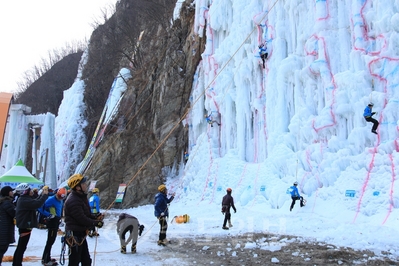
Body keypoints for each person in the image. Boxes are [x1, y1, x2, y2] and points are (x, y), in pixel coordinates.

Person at [64, 174, 104, 266]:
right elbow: (82, 219)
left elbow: (86, 214)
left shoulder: (80, 197)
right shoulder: (73, 200)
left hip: (79, 234)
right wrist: (95, 223)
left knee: (86, 260)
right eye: (83, 183)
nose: (86, 185)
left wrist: (96, 217)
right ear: (78, 187)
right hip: (74, 235)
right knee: (74, 261)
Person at [13, 183, 49, 266]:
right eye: (30, 190)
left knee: (22, 247)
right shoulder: (24, 200)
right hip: (25, 225)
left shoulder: (24, 199)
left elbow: (36, 201)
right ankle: (17, 263)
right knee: (21, 247)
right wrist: (44, 195)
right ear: (25, 192)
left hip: (25, 225)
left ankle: (17, 263)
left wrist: (42, 195)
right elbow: (37, 204)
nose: (31, 191)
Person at [41, 187, 67, 266]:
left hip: (56, 220)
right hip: (52, 221)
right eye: (59, 197)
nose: (59, 199)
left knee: (52, 240)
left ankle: (47, 257)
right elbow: (41, 208)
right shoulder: (51, 200)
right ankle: (45, 259)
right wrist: (49, 215)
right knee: (50, 241)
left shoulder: (61, 200)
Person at [0, 186, 15, 264]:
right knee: (2, 248)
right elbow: (14, 213)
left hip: (3, 228)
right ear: (7, 193)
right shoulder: (6, 203)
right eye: (11, 191)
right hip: (4, 229)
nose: (12, 192)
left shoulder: (3, 201)